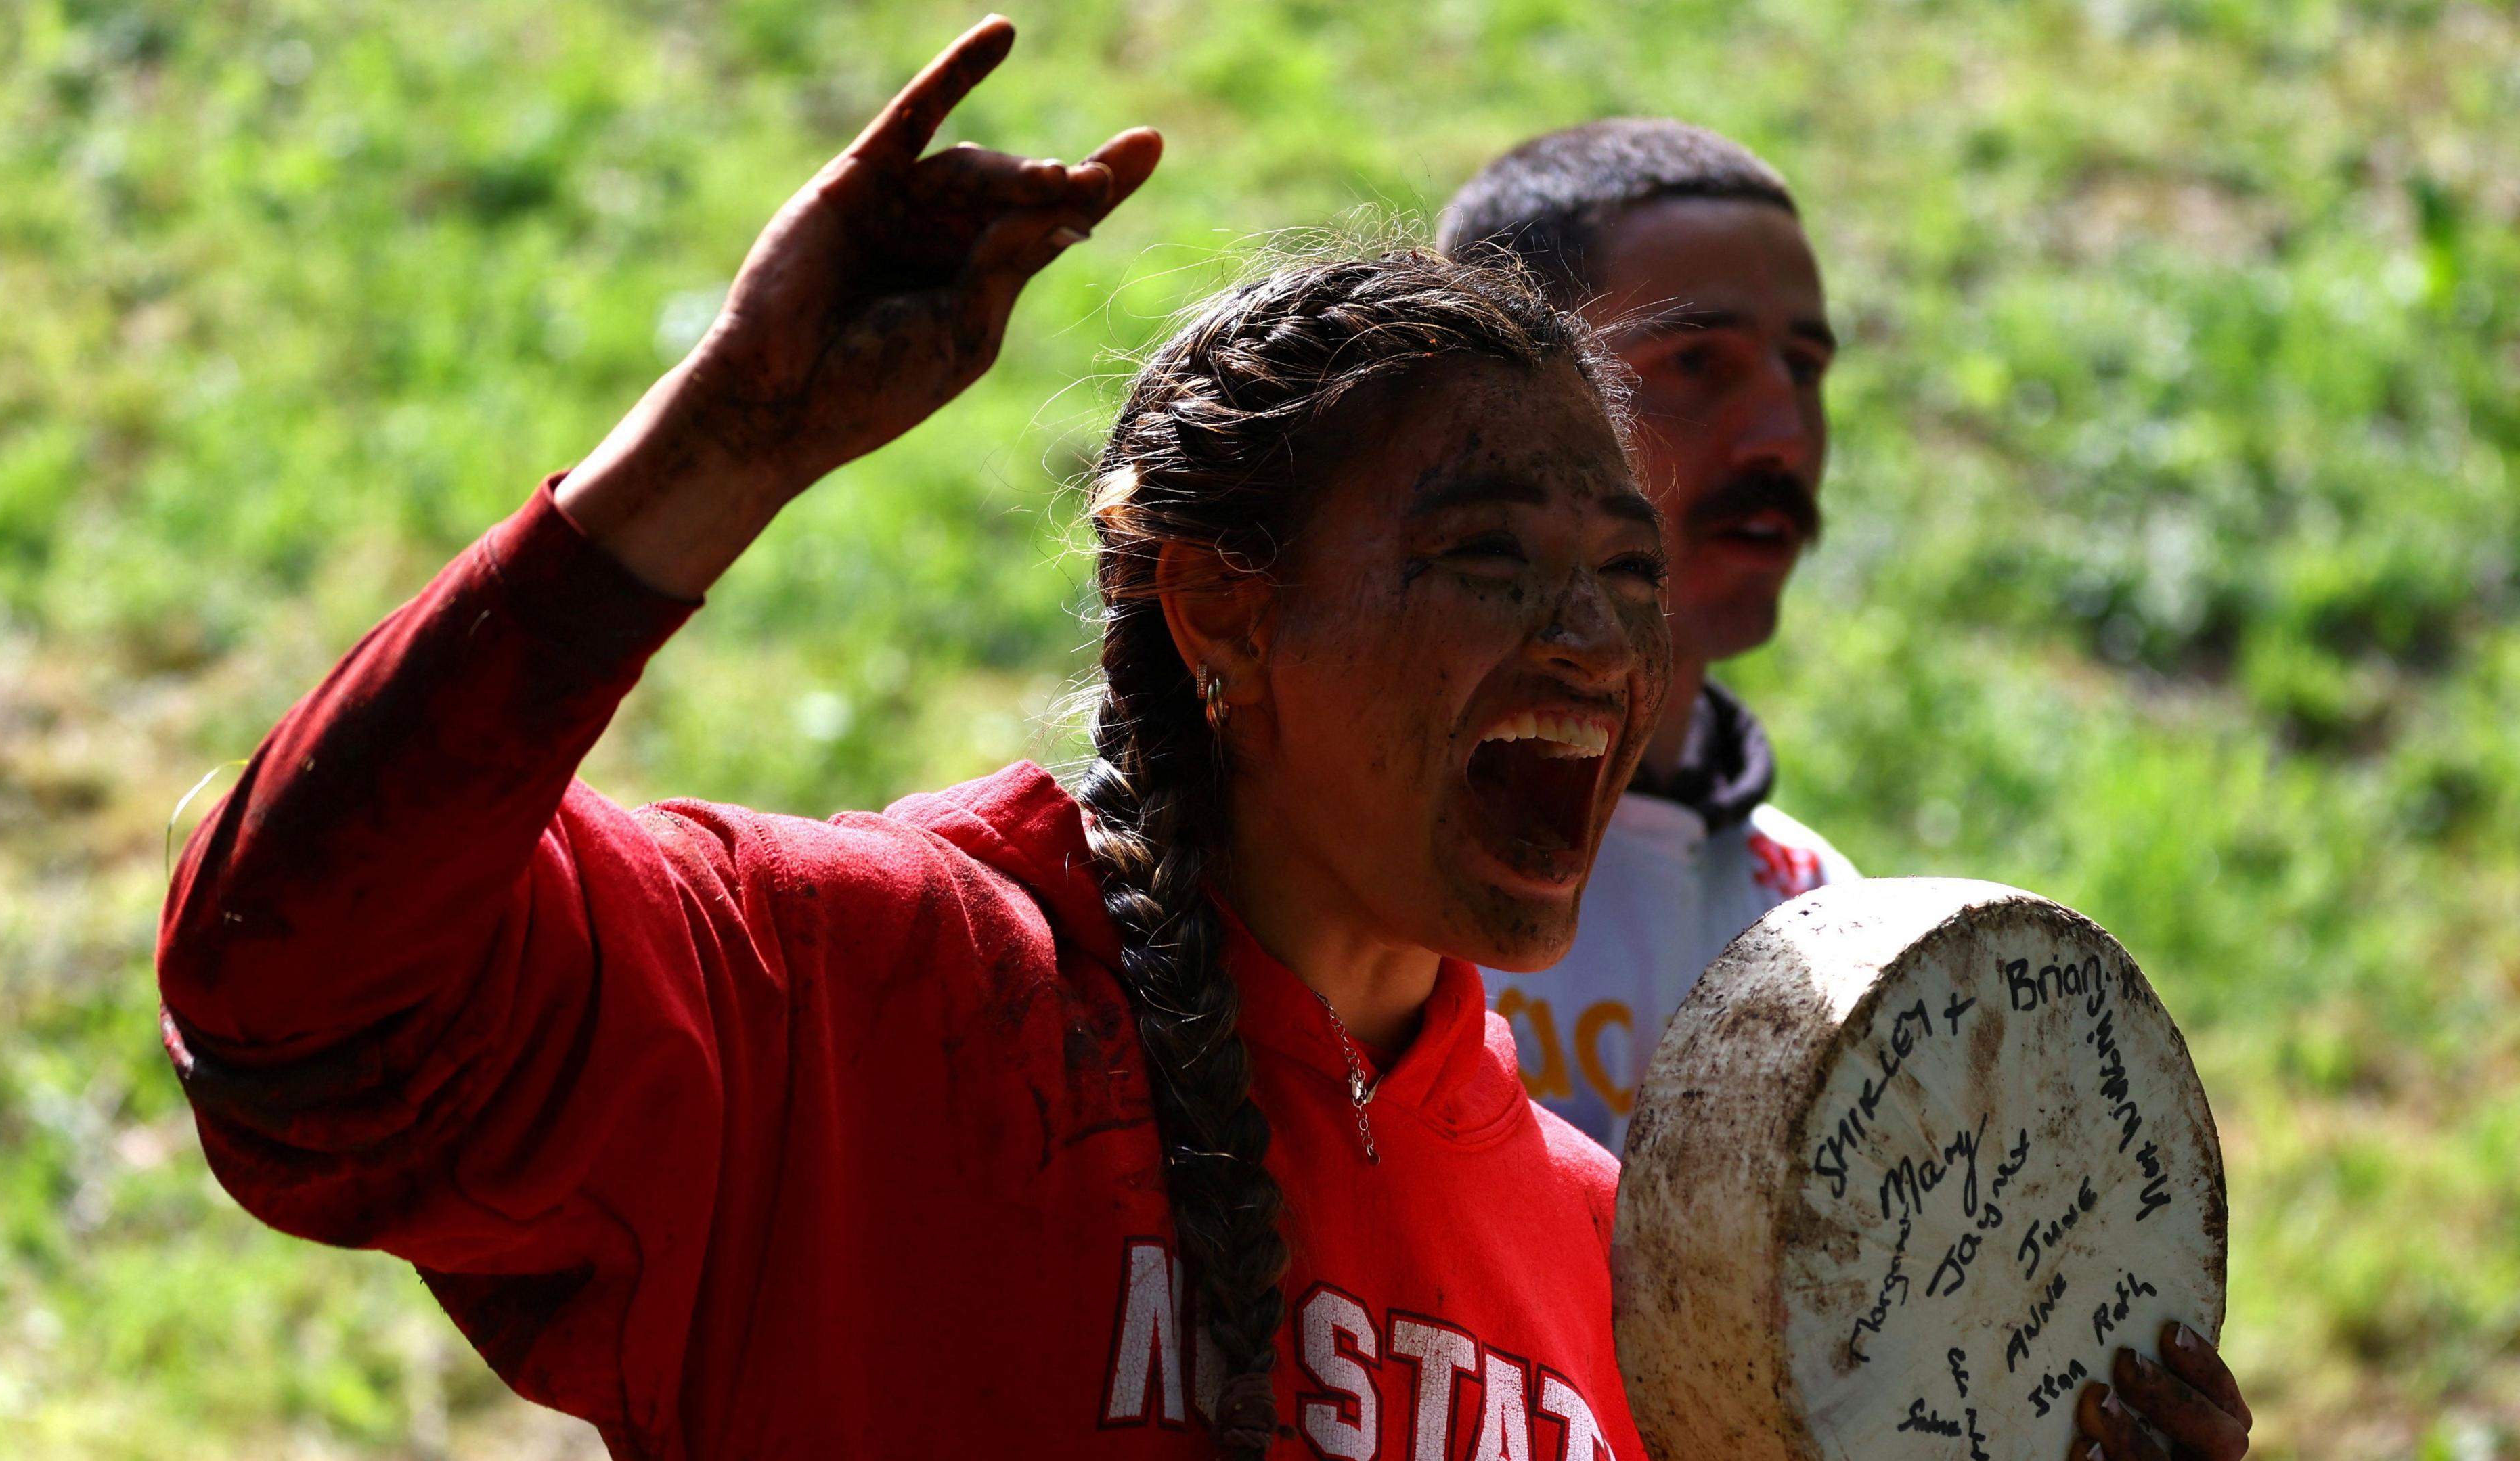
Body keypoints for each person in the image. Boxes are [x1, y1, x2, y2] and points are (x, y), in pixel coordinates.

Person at [154, 20, 2250, 1461]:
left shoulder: (1623, 1256)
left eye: (1625, 576)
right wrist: (714, 452)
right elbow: (298, 999)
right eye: (1488, 553)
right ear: (1221, 605)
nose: (1592, 644)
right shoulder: (869, 990)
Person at [1440, 121, 1859, 1152]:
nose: (1782, 435)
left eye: (1803, 368)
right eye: (1695, 361)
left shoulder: (1816, 915)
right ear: (1501, 396)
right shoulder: (1355, 860)